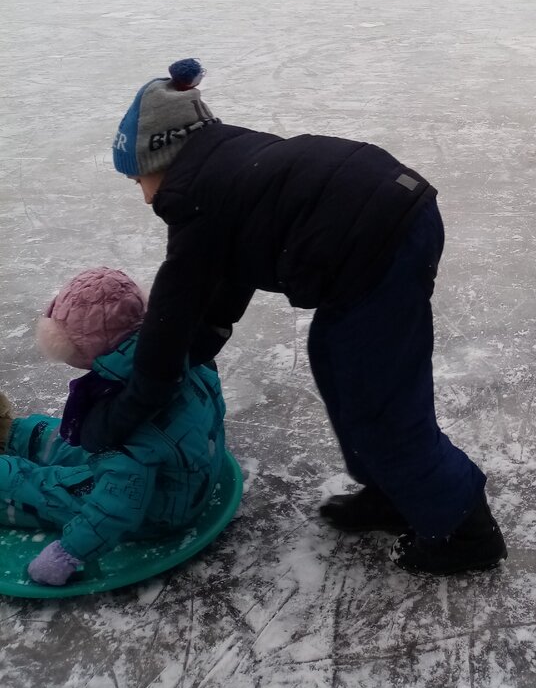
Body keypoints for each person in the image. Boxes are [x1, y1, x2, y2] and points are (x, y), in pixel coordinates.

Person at [76, 59, 506, 576]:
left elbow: (168, 328)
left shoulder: (194, 201)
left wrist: (118, 418)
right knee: (337, 360)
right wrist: (203, 342)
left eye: (137, 177)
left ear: (161, 156)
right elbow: (227, 275)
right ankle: (395, 492)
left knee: (379, 402)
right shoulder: (221, 168)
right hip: (384, 218)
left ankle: (467, 530)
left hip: (380, 242)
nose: (141, 192)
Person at [0, 267, 227, 587]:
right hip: (185, 473)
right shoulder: (177, 353)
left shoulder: (129, 423)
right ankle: (10, 433)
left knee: (44, 485)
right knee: (61, 438)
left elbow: (115, 509)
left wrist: (67, 554)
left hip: (159, 508)